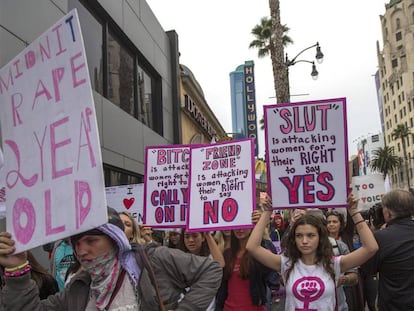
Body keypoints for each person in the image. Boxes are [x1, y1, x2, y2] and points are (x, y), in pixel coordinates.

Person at [0, 207, 222, 310]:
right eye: (77, 243)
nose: (82, 250)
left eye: (91, 241)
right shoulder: (79, 287)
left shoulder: (152, 260)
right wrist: (16, 270)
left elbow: (211, 270)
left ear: (114, 239)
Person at [246, 193, 378, 311]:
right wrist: (266, 213)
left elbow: (371, 248)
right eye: (299, 236)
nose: (304, 241)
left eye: (310, 235)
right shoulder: (285, 263)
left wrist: (354, 211)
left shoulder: (333, 264)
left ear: (320, 238)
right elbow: (252, 247)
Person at [361, 189, 414, 311]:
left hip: (394, 304)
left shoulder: (381, 237)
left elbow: (368, 269)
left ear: (388, 213)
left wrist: (373, 234)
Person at [216, 211, 280, 311]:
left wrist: (260, 225)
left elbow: (273, 279)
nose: (240, 229)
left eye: (244, 224)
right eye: (237, 225)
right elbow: (222, 290)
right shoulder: (227, 254)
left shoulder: (262, 250)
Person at [180, 230, 225, 311]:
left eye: (195, 236)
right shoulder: (178, 259)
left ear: (203, 238)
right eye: (187, 237)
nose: (191, 240)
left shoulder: (210, 259)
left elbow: (220, 264)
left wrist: (207, 234)